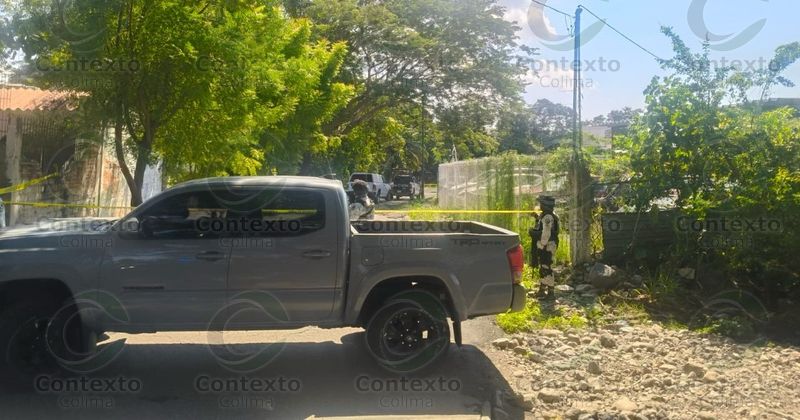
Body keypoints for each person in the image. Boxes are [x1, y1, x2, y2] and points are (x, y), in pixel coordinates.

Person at [529, 195, 559, 299]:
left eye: (541, 204)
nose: (540, 205)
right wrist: (537, 217)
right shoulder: (548, 215)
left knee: (547, 267)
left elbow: (546, 233)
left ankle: (550, 292)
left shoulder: (548, 217)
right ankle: (542, 290)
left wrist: (541, 245)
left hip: (548, 245)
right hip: (548, 244)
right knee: (543, 267)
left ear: (545, 206)